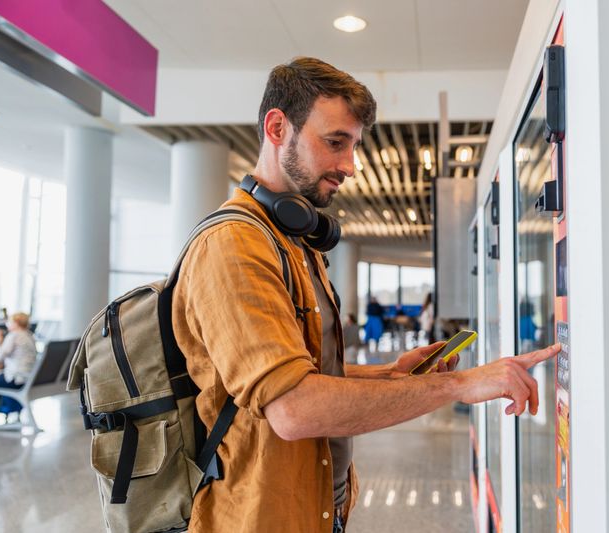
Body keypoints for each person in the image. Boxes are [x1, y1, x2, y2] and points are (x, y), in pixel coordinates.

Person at [171, 57, 560, 533]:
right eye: (335, 142)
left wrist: (389, 374)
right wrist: (461, 385)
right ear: (277, 127)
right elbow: (292, 408)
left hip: (310, 509)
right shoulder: (234, 244)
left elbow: (303, 368)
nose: (350, 166)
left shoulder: (294, 244)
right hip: (259, 517)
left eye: (354, 146)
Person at [0, 312, 37, 419]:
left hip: (15, 379)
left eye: (9, 322)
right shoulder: (29, 335)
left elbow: (0, 355)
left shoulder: (14, 335)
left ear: (16, 323)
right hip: (28, 378)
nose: (7, 324)